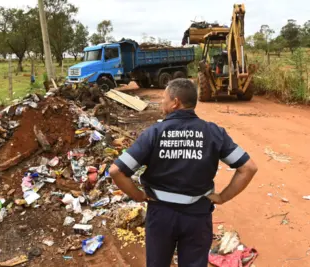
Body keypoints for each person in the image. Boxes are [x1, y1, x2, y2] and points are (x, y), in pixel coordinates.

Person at [109, 78, 258, 267]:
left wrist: (139, 196)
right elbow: (248, 168)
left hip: (160, 215)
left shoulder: (154, 133)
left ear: (175, 102)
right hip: (197, 216)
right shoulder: (213, 132)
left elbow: (116, 171)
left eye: (164, 98)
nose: (161, 103)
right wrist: (222, 197)